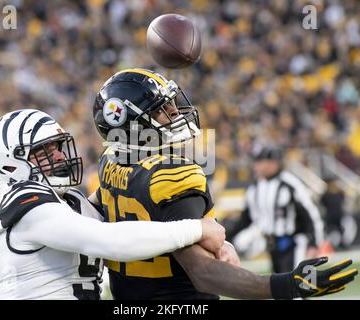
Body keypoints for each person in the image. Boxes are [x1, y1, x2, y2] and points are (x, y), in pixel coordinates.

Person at [91, 68, 358, 299]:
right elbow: (203, 273)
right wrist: (286, 284)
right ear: (132, 125)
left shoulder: (111, 162)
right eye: (161, 110)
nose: (174, 112)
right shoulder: (171, 175)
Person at [0, 108, 226, 300]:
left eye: (55, 147)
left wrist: (217, 243)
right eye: (42, 151)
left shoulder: (71, 200)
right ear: (10, 164)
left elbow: (128, 208)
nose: (58, 155)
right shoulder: (22, 199)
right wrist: (197, 228)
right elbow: (109, 240)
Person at [228, 144, 325, 273]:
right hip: (272, 244)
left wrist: (314, 242)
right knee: (279, 286)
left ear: (273, 163)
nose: (255, 166)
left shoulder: (290, 183)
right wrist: (227, 239)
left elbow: (310, 213)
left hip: (293, 243)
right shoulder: (254, 187)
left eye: (260, 161)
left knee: (295, 284)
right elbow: (246, 219)